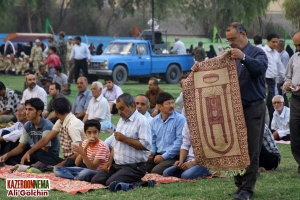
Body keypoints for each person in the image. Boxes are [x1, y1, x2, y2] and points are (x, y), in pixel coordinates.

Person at [221, 22, 267, 199]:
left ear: (244, 34)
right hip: (234, 109)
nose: (231, 43)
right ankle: (240, 185)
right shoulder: (229, 55)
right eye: (228, 40)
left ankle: (248, 189)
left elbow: (259, 70)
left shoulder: (257, 53)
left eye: (233, 39)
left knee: (251, 149)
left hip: (253, 108)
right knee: (235, 148)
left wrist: (244, 58)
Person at [91, 93, 151, 186]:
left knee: (111, 183)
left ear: (131, 106)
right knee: (96, 180)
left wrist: (125, 139)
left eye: (122, 109)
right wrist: (109, 161)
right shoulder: (121, 120)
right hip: (117, 164)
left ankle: (141, 183)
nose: (119, 112)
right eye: (118, 109)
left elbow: (145, 145)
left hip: (135, 166)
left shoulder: (141, 120)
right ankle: (127, 178)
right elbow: (115, 144)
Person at [21, 97, 87, 166]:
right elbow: (45, 139)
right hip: (69, 159)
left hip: (81, 161)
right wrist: (29, 152)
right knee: (37, 153)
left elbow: (79, 152)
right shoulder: (60, 122)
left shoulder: (73, 126)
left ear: (55, 112)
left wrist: (59, 165)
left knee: (64, 164)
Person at [0, 98, 59, 166]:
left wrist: (28, 153)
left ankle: (35, 164)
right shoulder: (28, 125)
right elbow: (20, 147)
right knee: (10, 158)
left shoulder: (47, 126)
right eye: (26, 109)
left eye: (30, 109)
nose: (27, 112)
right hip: (35, 152)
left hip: (47, 155)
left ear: (39, 112)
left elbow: (44, 149)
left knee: (37, 154)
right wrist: (7, 155)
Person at [146, 92, 186, 175]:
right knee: (141, 168)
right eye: (168, 103)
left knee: (155, 171)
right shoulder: (154, 121)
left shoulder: (180, 119)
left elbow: (179, 143)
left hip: (174, 156)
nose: (172, 106)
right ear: (159, 106)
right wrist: (151, 152)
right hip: (158, 155)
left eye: (172, 102)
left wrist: (164, 157)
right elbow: (153, 141)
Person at [284, 31, 300, 174]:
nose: (297, 48)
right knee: (295, 131)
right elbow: (287, 77)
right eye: (295, 45)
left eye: (299, 45)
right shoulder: (294, 57)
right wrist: (288, 85)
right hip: (295, 100)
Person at [262, 33, 285, 127]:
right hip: (265, 80)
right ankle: (268, 124)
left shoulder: (276, 53)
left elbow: (280, 67)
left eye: (277, 42)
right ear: (268, 42)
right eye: (273, 42)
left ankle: (272, 124)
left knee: (273, 101)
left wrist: (284, 78)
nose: (275, 44)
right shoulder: (263, 51)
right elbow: (261, 67)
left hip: (274, 80)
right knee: (271, 102)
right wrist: (263, 81)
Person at [276, 40, 290, 106]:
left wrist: (284, 78)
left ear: (281, 46)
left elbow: (285, 68)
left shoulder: (284, 55)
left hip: (282, 79)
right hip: (279, 79)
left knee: (283, 96)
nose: (276, 47)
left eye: (277, 45)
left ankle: (285, 108)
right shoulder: (279, 54)